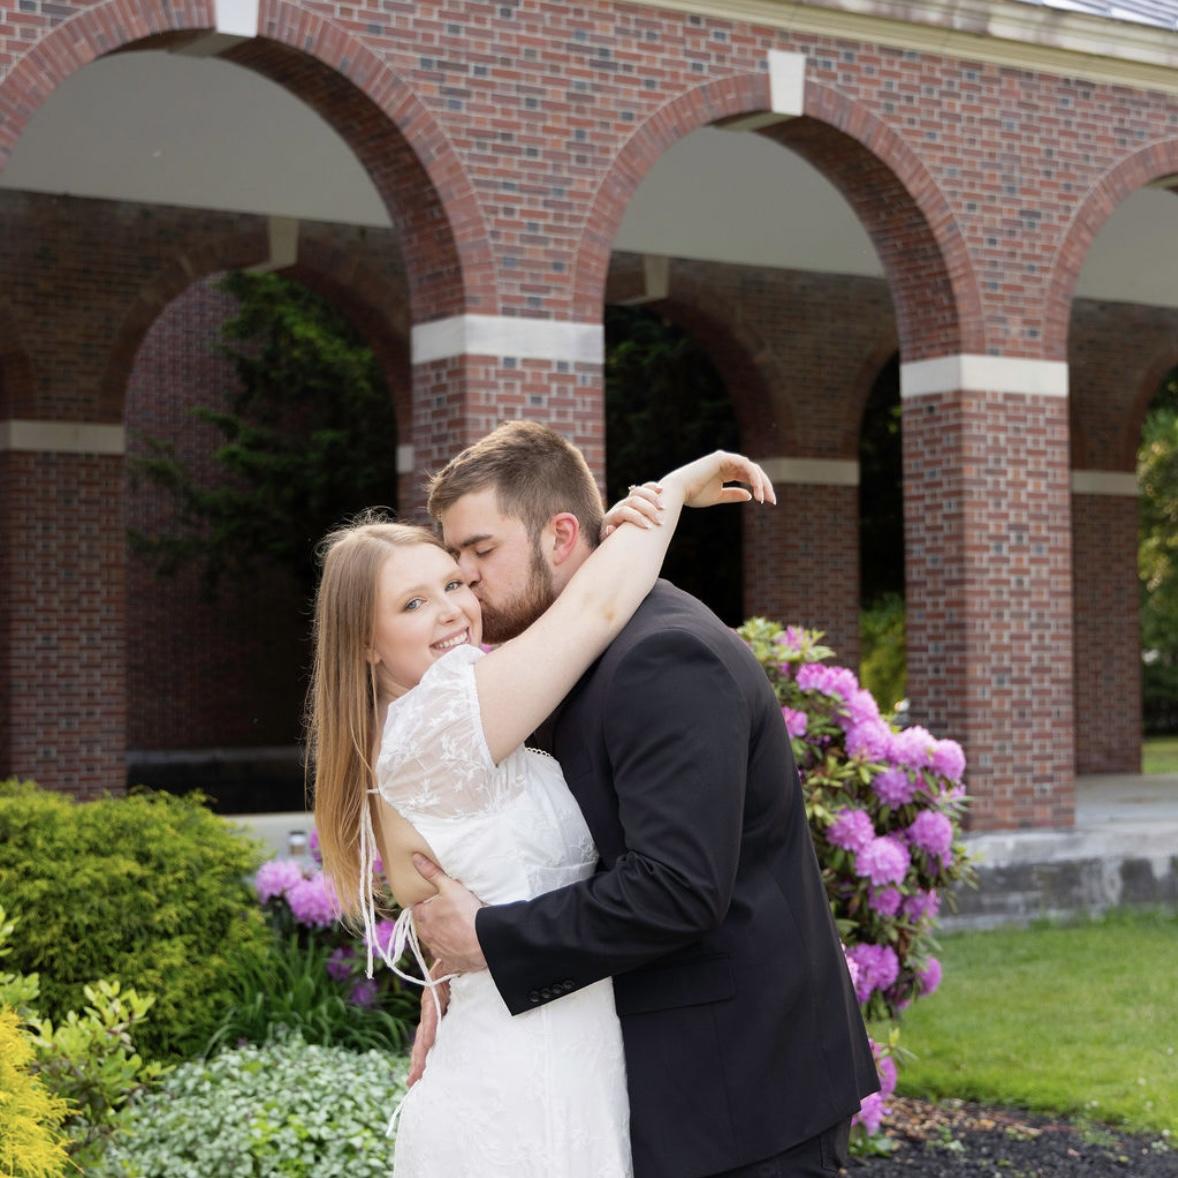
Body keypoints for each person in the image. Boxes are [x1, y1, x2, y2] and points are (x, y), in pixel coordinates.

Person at [410, 421, 880, 1178]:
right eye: (453, 557)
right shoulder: (563, 659)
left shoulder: (664, 658)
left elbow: (677, 888)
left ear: (561, 535)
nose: (464, 579)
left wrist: (491, 940)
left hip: (741, 1094)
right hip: (660, 1085)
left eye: (480, 552)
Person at [309, 439, 774, 1178]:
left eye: (455, 582)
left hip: (575, 1047)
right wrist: (674, 490)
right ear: (365, 644)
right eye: (412, 603)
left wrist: (457, 967)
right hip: (524, 1073)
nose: (454, 609)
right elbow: (596, 604)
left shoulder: (471, 706)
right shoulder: (440, 724)